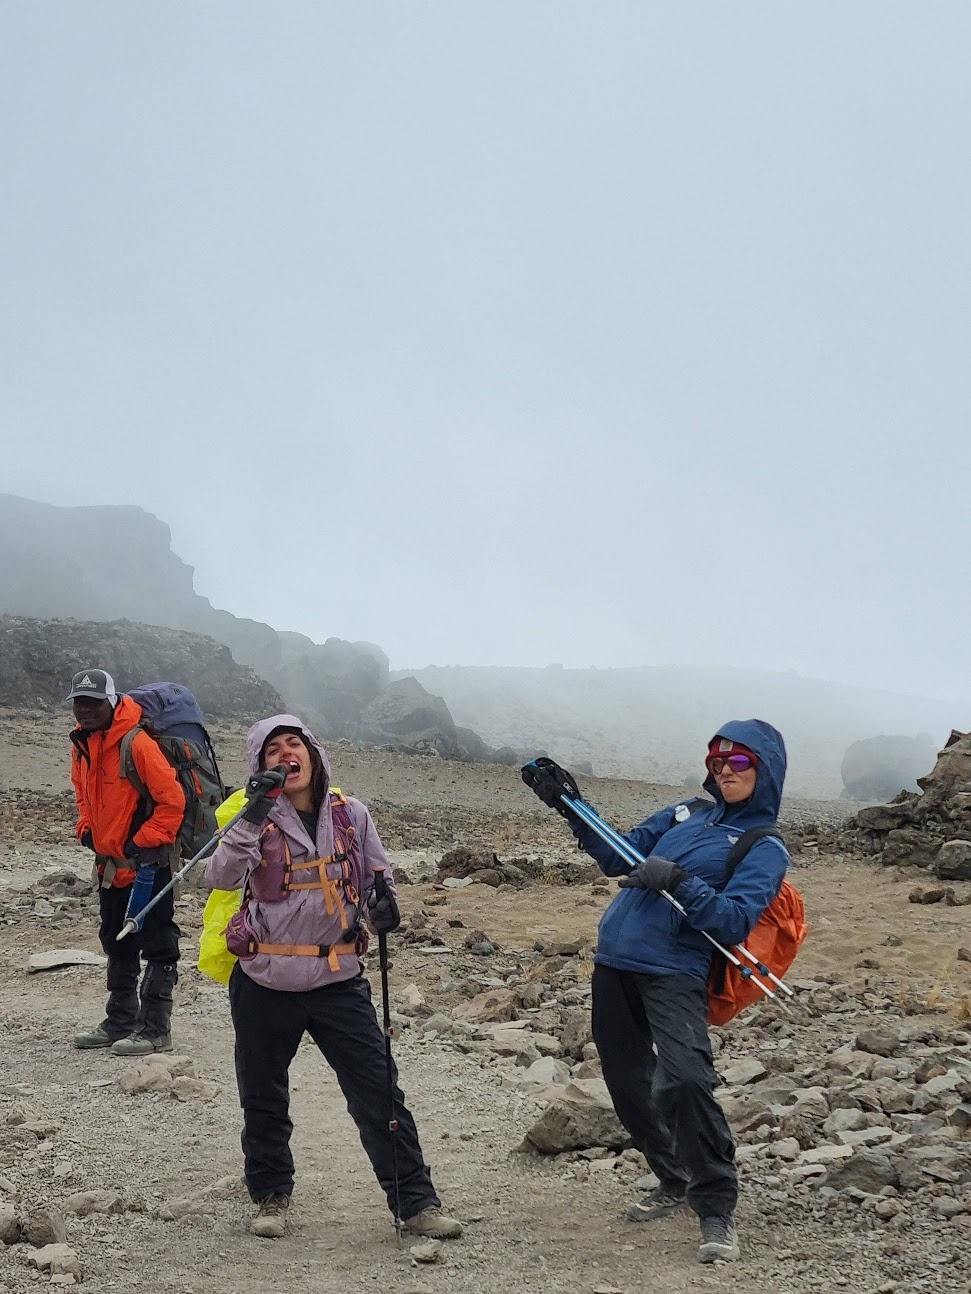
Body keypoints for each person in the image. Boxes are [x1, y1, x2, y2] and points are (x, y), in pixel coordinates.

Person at [524, 719, 789, 1265]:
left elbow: (735, 922)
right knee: (626, 1084)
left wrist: (677, 880)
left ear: (765, 770)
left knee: (686, 1080)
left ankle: (715, 1205)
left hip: (675, 970)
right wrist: (570, 805)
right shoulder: (686, 812)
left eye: (738, 762)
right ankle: (672, 1178)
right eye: (717, 760)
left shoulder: (764, 847)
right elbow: (619, 854)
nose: (723, 770)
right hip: (614, 960)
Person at [205, 713, 463, 1242]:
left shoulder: (353, 814)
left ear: (314, 753)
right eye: (271, 750)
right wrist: (252, 815)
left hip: (337, 977)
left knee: (378, 1091)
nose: (285, 755)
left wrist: (385, 905)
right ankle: (271, 1195)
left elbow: (376, 877)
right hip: (265, 978)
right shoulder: (248, 816)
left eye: (293, 744)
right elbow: (222, 877)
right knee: (263, 1094)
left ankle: (415, 1201)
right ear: (259, 766)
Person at [67, 668, 185, 1057]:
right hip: (111, 867)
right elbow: (83, 795)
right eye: (79, 702)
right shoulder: (82, 744)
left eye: (93, 702)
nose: (84, 710)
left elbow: (172, 802)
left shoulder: (136, 743)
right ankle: (120, 1020)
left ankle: (155, 1029)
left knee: (157, 943)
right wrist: (86, 829)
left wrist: (141, 842)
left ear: (112, 701)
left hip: (148, 866)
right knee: (116, 941)